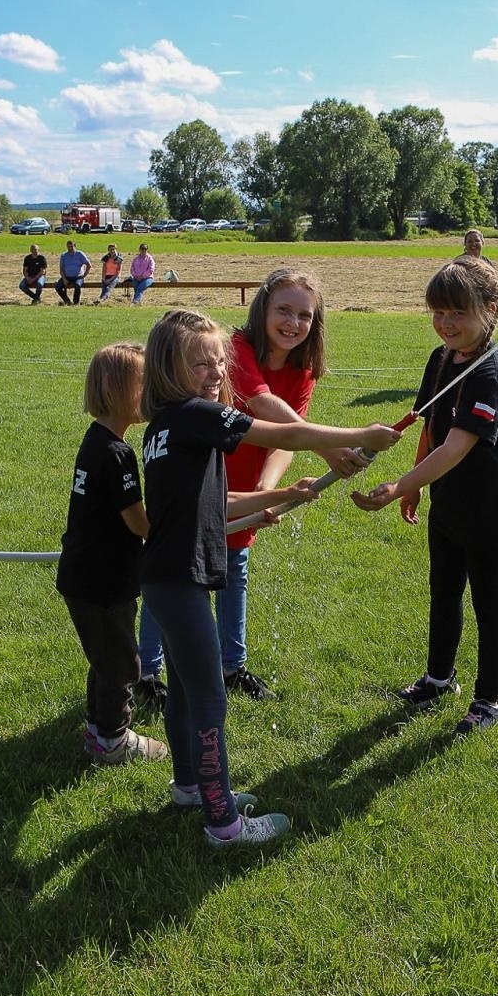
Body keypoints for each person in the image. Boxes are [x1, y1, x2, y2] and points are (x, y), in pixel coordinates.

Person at [139, 308, 399, 847]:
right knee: (210, 696)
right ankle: (223, 824)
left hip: (165, 578)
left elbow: (212, 502)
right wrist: (360, 433)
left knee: (187, 690)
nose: (215, 374)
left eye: (219, 362)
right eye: (199, 364)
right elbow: (282, 430)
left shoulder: (168, 426)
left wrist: (279, 495)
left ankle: (190, 785)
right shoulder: (194, 415)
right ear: (168, 368)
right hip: (178, 581)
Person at [135, 269, 369, 706]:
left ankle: (231, 665)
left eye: (304, 315)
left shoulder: (303, 371)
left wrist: (269, 491)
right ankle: (147, 672)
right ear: (262, 308)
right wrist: (331, 448)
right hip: (203, 479)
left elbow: (286, 440)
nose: (293, 323)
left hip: (247, 484)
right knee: (173, 570)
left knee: (234, 570)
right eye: (284, 310)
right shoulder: (234, 350)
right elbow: (269, 411)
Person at [351, 256, 498, 736]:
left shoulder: (488, 373)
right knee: (443, 593)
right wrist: (417, 486)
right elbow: (431, 425)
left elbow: (457, 447)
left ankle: (488, 701)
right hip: (450, 504)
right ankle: (438, 679)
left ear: (490, 310)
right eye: (438, 312)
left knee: (489, 604)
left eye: (457, 313)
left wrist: (399, 487)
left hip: (494, 511)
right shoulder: (441, 360)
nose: (446, 323)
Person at [57, 342, 168, 765]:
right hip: (104, 581)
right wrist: (169, 528)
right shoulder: (117, 454)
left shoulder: (96, 441)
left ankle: (96, 727)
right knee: (122, 663)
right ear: (120, 390)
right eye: (146, 385)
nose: (152, 395)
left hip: (87, 576)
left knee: (104, 657)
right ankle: (113, 739)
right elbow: (137, 522)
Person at [56, 241, 91, 305]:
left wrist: (84, 275)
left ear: (75, 246)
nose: (70, 248)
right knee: (57, 286)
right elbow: (61, 268)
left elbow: (89, 265)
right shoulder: (63, 255)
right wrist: (64, 279)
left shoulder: (80, 254)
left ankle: (76, 302)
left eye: (71, 246)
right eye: (68, 247)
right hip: (67, 277)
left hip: (78, 277)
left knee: (77, 285)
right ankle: (67, 301)